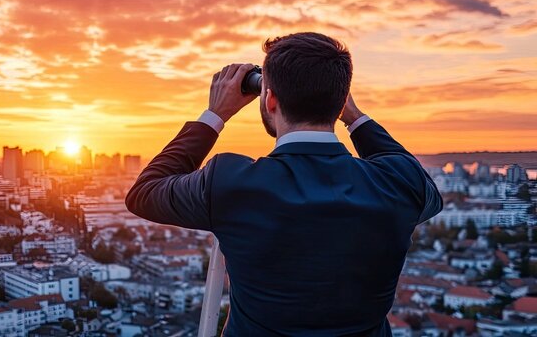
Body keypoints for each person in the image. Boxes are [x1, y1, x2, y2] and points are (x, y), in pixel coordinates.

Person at [126, 32, 443, 336]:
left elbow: (145, 192)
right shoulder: (397, 184)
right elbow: (416, 180)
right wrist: (354, 117)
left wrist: (214, 114)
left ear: (270, 99)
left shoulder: (231, 183)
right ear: (341, 99)